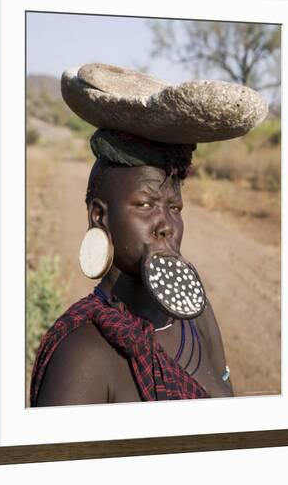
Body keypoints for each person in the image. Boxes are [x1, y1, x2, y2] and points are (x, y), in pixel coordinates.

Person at [30, 63, 268, 407]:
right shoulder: (81, 353)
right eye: (145, 204)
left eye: (175, 208)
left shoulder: (196, 316)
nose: (166, 224)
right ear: (99, 215)